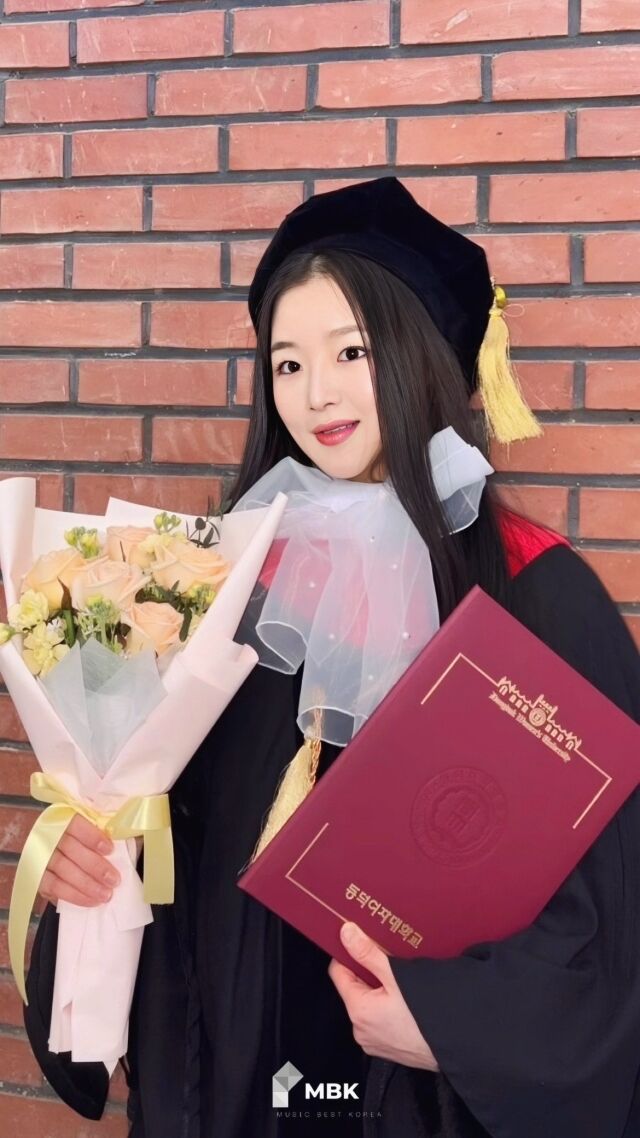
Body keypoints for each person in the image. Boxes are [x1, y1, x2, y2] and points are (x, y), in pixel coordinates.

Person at [23, 177, 640, 1138]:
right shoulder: (228, 583)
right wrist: (99, 856)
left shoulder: (537, 596)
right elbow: (177, 828)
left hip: (414, 1100)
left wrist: (453, 1027)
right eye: (287, 363)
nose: (316, 394)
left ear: (421, 352)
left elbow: (610, 912)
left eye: (351, 351)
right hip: (244, 1080)